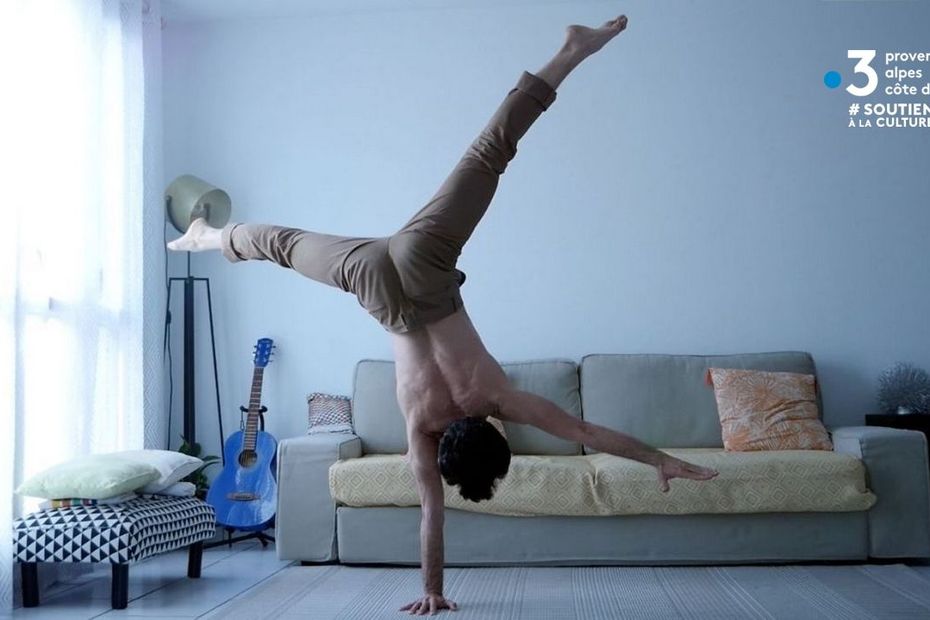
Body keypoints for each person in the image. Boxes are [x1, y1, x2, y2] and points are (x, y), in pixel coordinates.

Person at [169, 14, 718, 616]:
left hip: (423, 262)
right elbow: (432, 513)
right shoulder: (421, 428)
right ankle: (212, 239)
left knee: (489, 156)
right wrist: (431, 590)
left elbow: (589, 433)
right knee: (286, 244)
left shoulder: (498, 398)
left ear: (494, 435)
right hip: (376, 284)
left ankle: (570, 53)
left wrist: (662, 458)